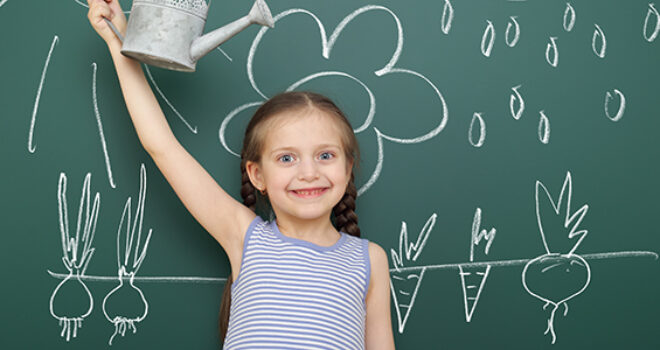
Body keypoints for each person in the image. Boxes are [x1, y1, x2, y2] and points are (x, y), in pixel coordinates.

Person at [87, 0, 395, 348]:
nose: (309, 172)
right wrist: (120, 42)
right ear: (256, 175)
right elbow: (162, 146)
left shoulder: (369, 260)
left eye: (325, 155)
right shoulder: (245, 236)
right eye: (286, 158)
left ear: (348, 167)